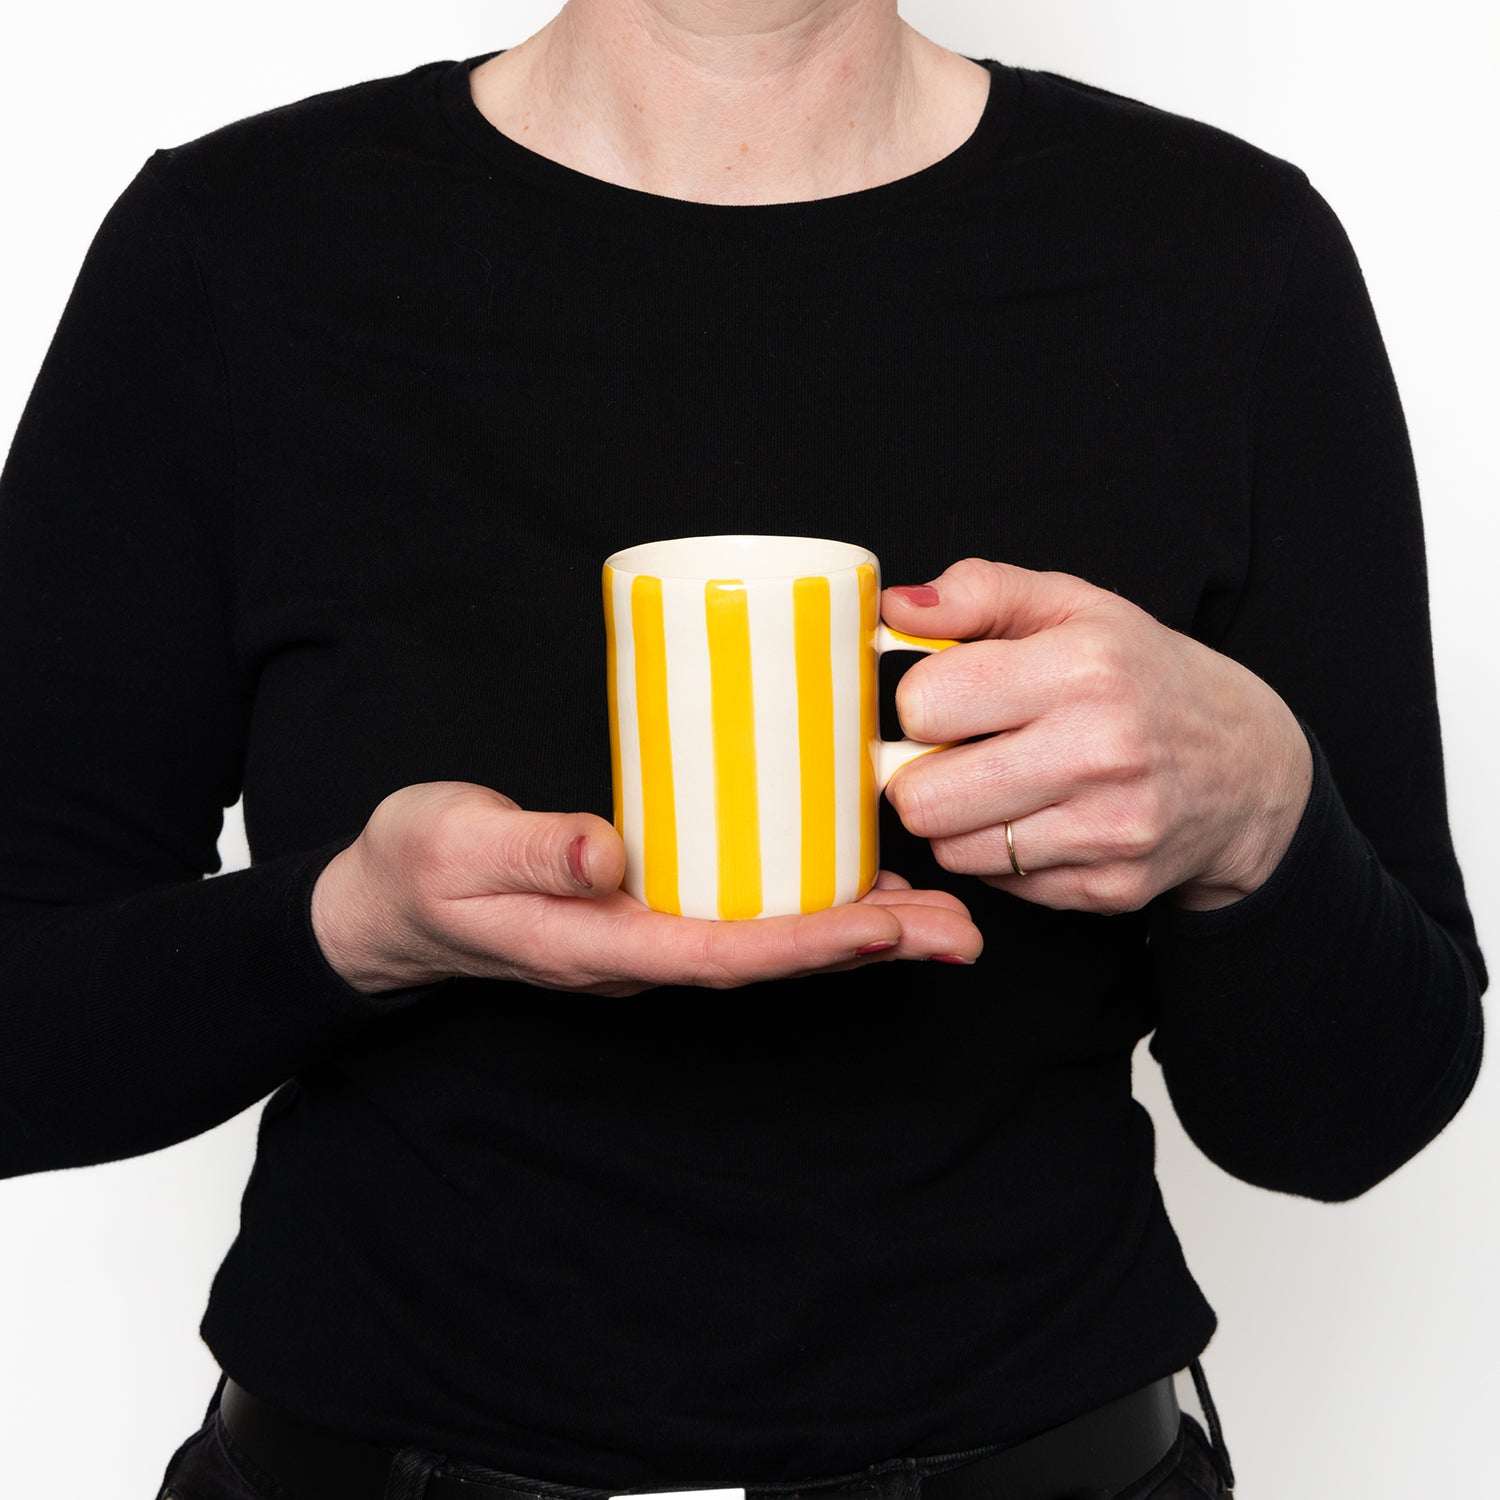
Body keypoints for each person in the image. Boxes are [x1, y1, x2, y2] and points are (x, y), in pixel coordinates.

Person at [0, 1, 1485, 1497]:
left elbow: (1354, 1121)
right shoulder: (235, 247)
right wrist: (353, 927)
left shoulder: (1224, 252)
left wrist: (1259, 817)